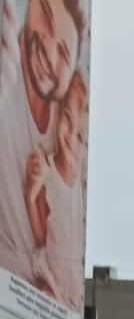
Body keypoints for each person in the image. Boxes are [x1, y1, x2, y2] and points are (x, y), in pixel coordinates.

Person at [0, 0, 86, 294]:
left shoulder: (66, 134)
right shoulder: (7, 68)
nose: (49, 53)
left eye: (65, 52)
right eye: (46, 15)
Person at [24, 68, 84, 304]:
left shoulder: (79, 185)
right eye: (67, 118)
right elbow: (41, 236)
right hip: (52, 284)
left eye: (80, 136)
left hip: (71, 291)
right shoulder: (46, 170)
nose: (70, 136)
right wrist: (31, 197)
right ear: (58, 114)